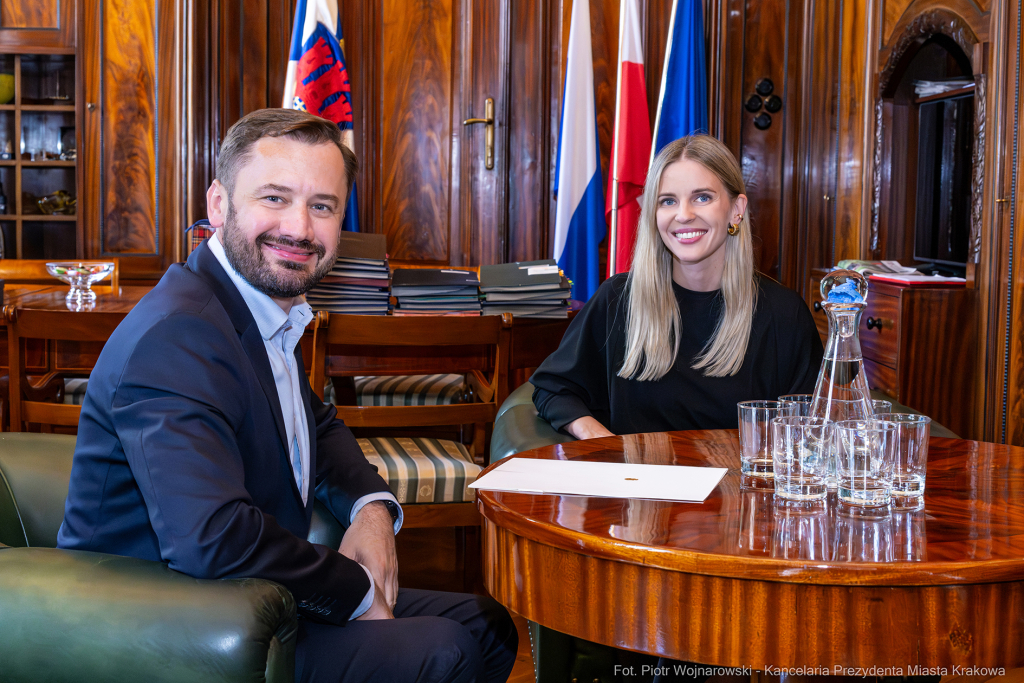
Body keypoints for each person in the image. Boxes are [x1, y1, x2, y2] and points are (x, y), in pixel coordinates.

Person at [57, 108, 517, 683]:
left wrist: (372, 511)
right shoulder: (181, 333)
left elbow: (317, 427)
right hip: (165, 622)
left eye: (321, 206)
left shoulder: (256, 309)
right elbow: (213, 539)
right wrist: (354, 592)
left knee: (485, 623)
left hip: (247, 594)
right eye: (274, 198)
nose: (299, 229)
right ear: (219, 204)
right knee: (445, 649)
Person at [532, 134, 824, 439]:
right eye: (668, 201)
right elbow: (553, 389)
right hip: (638, 484)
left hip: (739, 485)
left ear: (736, 210)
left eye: (702, 197)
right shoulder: (619, 299)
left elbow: (812, 429)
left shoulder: (784, 314)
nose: (683, 215)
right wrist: (604, 445)